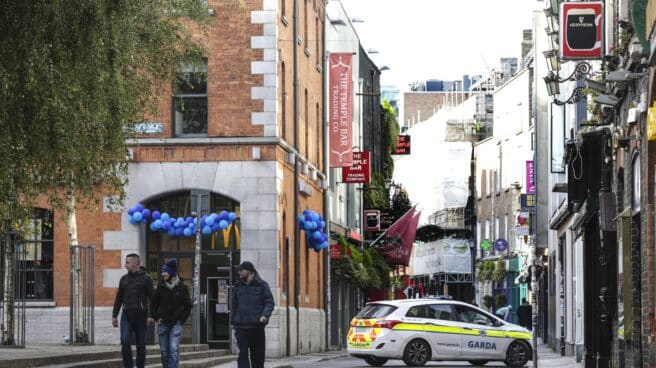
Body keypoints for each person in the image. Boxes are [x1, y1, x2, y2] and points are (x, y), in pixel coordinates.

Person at [112, 253, 154, 368]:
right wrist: (114, 315)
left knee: (141, 345)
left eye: (127, 262)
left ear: (135, 264)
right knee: (125, 341)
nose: (125, 265)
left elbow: (153, 298)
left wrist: (151, 315)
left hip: (141, 316)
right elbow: (119, 297)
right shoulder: (124, 279)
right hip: (126, 316)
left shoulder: (146, 278)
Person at [149, 259, 191, 368]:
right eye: (162, 272)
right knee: (164, 351)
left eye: (165, 272)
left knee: (173, 349)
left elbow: (188, 306)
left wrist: (181, 320)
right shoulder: (161, 286)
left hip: (176, 324)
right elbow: (153, 303)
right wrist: (156, 317)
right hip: (163, 323)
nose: (163, 274)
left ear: (172, 273)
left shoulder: (182, 287)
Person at [231, 261, 274, 368]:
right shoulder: (237, 285)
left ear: (249, 271)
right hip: (241, 327)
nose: (239, 272)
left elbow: (269, 302)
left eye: (241, 270)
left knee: (258, 358)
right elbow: (234, 305)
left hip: (256, 327)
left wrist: (265, 315)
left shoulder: (262, 285)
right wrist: (233, 321)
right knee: (243, 355)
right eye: (238, 270)